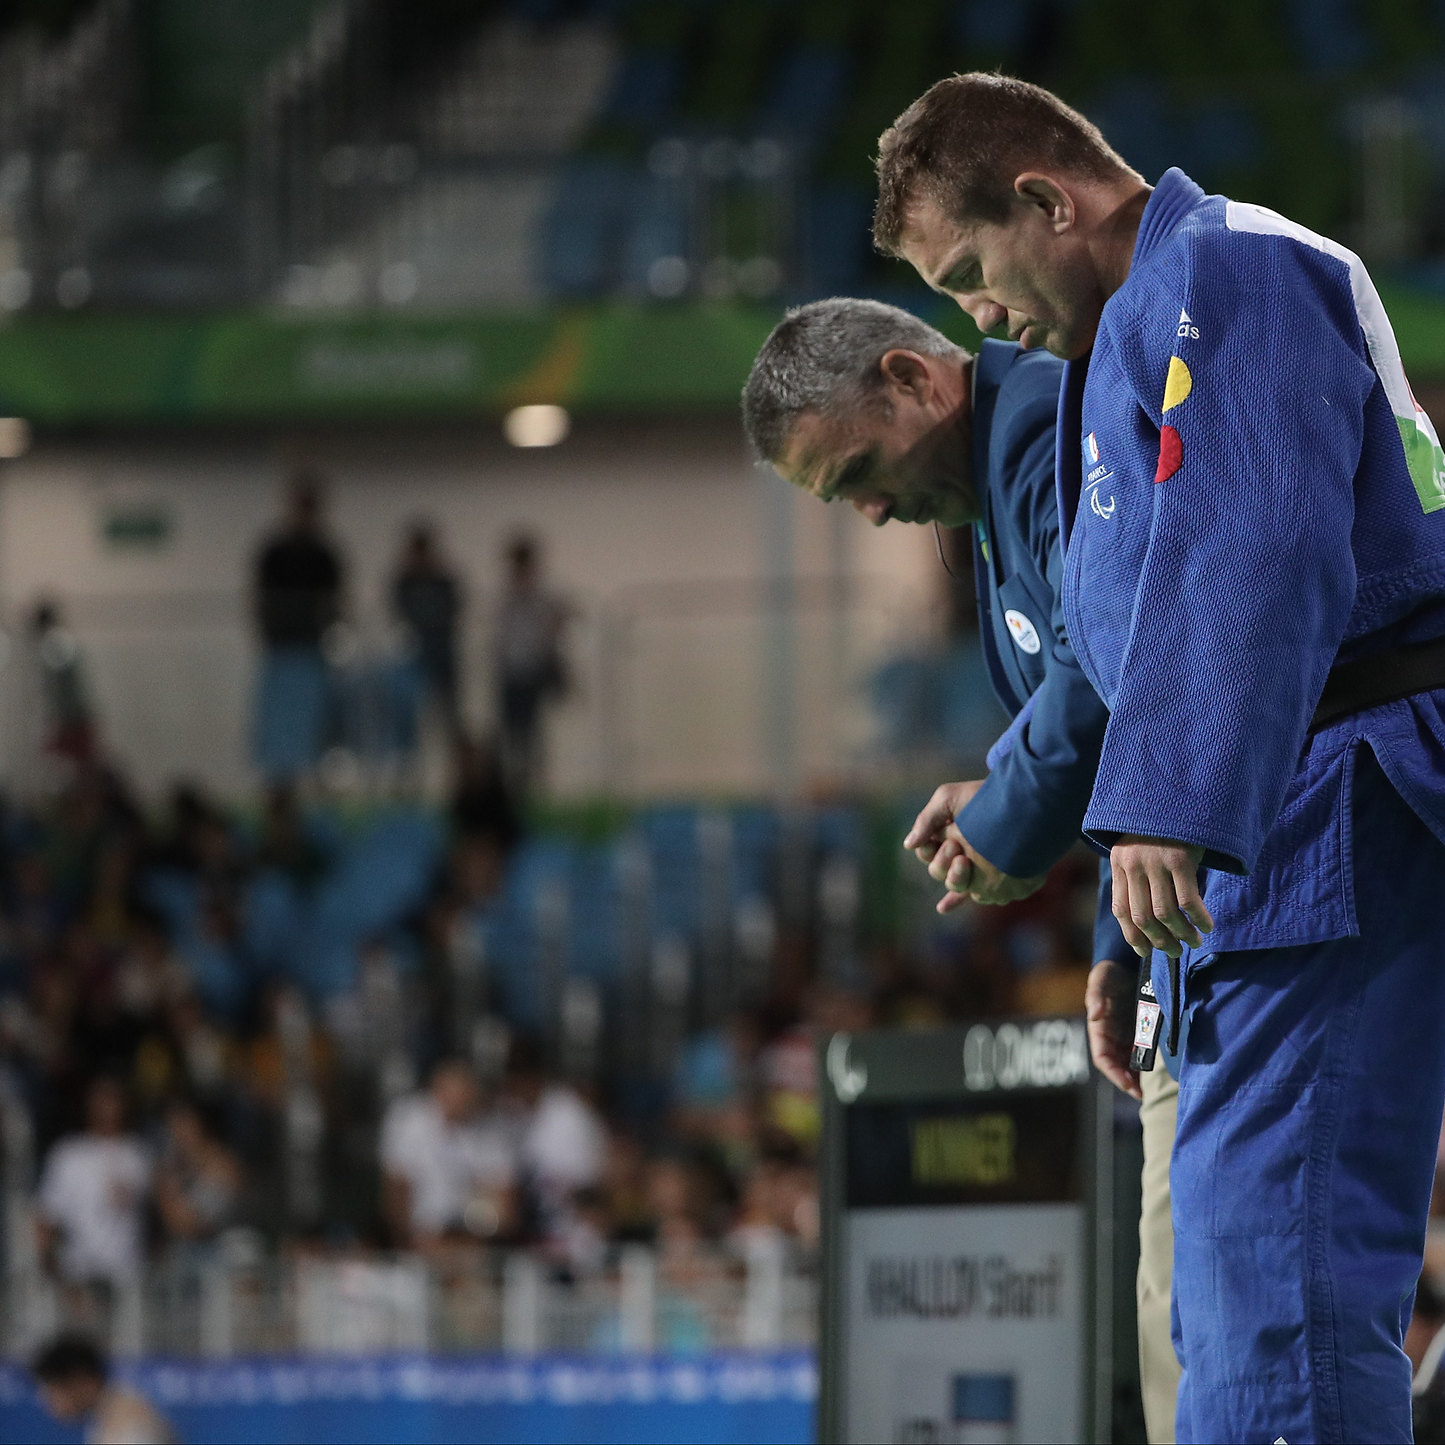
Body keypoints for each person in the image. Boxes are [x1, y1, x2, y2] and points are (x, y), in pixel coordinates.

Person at [875, 71, 1445, 1444]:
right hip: (1269, 841)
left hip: (1328, 811)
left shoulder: (1231, 268)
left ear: (1043, 198)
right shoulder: (1125, 345)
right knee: (1223, 1299)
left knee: (1275, 1285)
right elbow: (1136, 648)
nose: (980, 321)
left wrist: (1171, 810)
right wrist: (1139, 925)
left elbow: (1255, 546)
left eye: (968, 276)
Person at [742, 296, 1174, 1432]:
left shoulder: (1036, 427)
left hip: (1261, 885)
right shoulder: (990, 490)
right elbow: (1109, 731)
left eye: (859, 473)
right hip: (1173, 914)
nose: (875, 510)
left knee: (1202, 1307)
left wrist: (1003, 808)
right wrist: (1114, 944)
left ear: (911, 378)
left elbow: (1108, 664)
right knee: (1180, 1307)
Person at [251, 473, 345, 783]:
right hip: (282, 650)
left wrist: (332, 632)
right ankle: (281, 784)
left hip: (312, 650)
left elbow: (337, 601)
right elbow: (259, 599)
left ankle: (320, 779)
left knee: (316, 723)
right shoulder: (275, 552)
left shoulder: (324, 554)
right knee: (280, 728)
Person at [379, 1057, 517, 1248]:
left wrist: (477, 1234)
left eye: (467, 1096)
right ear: (437, 1091)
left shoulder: (491, 1129)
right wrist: (406, 1240)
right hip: (419, 1235)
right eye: (456, 1095)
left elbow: (505, 1205)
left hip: (473, 1239)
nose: (462, 1103)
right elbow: (396, 1189)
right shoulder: (408, 1120)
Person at [36, 1076, 150, 1292]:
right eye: (101, 1099)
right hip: (80, 1275)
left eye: (114, 1098)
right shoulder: (68, 1154)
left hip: (131, 1278)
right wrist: (55, 1278)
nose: (108, 1107)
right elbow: (46, 1219)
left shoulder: (140, 1152)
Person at [493, 533, 569, 794]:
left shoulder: (542, 596)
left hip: (532, 670)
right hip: (510, 671)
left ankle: (535, 782)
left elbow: (558, 620)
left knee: (532, 731)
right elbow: (502, 636)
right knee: (512, 732)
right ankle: (515, 782)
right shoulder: (506, 596)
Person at [32, 1332, 175, 1445]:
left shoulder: (131, 1423)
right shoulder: (106, 1416)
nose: (48, 1401)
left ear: (81, 1379)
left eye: (53, 1390)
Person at [391, 521, 464, 736]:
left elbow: (454, 611)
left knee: (448, 715)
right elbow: (399, 616)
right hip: (413, 657)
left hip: (441, 654)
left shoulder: (443, 581)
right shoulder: (405, 582)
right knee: (409, 716)